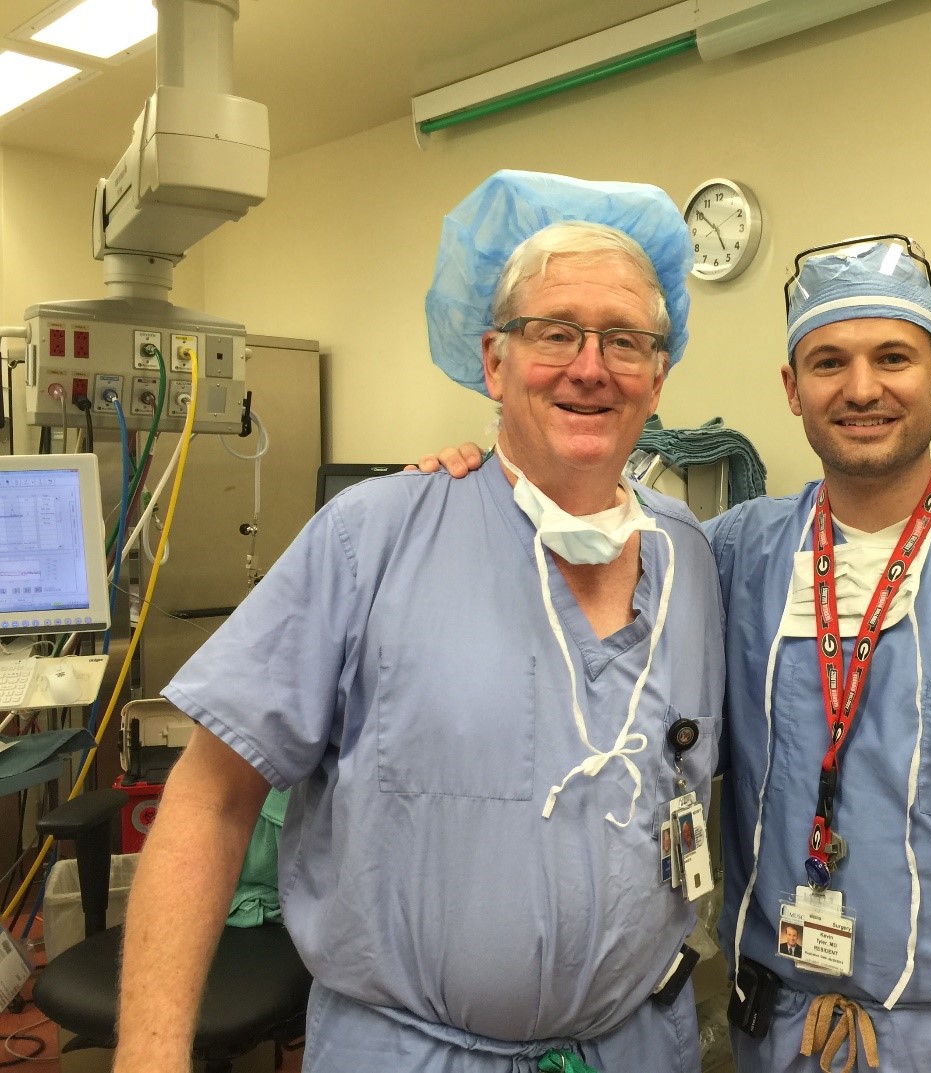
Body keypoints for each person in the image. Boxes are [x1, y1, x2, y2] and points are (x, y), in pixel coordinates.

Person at [423, 234, 931, 1073]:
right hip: (779, 1027)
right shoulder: (728, 556)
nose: (862, 388)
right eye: (827, 361)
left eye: (893, 357)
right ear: (792, 389)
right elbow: (584, 561)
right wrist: (485, 477)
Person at [111, 170, 725, 1073]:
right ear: (493, 359)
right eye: (554, 332)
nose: (591, 366)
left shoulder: (696, 560)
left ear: (658, 372)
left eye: (626, 339)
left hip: (638, 1045)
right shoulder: (375, 536)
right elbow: (210, 797)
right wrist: (149, 1058)